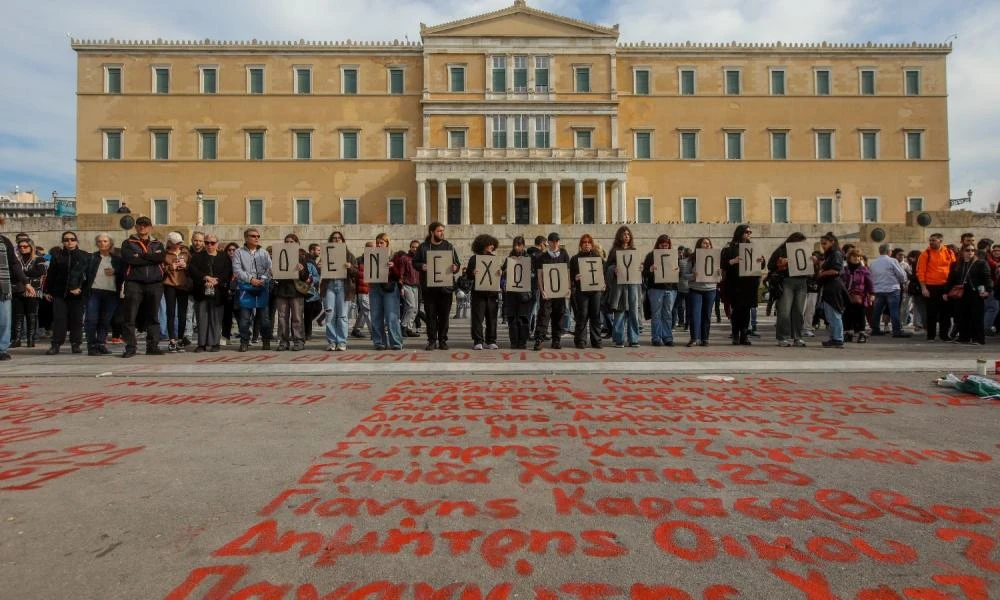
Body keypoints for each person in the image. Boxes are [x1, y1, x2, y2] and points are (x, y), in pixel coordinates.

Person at [120, 216, 167, 357]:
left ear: (150, 228)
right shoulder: (128, 243)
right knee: (130, 316)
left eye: (146, 225)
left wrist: (141, 256)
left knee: (153, 316)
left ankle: (152, 346)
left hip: (155, 283)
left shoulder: (157, 243)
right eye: (140, 225)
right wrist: (150, 257)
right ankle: (130, 347)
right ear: (136, 227)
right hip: (134, 283)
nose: (143, 227)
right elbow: (130, 260)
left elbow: (160, 258)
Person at [413, 222, 461, 351]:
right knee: (431, 316)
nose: (442, 233)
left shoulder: (449, 246)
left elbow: (457, 263)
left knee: (444, 316)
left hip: (445, 288)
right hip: (429, 289)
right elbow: (415, 262)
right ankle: (432, 340)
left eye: (442, 231)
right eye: (439, 231)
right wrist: (421, 266)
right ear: (432, 232)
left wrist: (455, 268)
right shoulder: (423, 247)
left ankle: (443, 340)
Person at [43, 230, 90, 355]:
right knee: (59, 320)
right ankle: (56, 344)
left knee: (77, 320)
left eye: (72, 239)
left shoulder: (84, 255)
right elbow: (51, 275)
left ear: (76, 241)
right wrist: (47, 291)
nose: (69, 242)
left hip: (77, 295)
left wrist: (81, 288)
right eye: (66, 240)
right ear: (63, 242)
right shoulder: (57, 256)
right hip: (59, 293)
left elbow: (88, 276)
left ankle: (76, 344)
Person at [187, 234, 232, 352]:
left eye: (212, 243)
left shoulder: (224, 257)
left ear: (217, 244)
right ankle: (202, 344)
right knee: (202, 318)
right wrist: (205, 278)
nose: (209, 245)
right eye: (207, 243)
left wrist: (216, 280)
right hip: (202, 291)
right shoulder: (197, 256)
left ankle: (214, 343)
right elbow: (192, 271)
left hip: (218, 292)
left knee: (216, 318)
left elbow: (228, 272)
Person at [721, 224, 763, 346]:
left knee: (746, 310)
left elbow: (762, 263)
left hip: (749, 283)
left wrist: (761, 260)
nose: (748, 234)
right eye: (746, 232)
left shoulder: (752, 247)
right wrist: (732, 261)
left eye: (750, 232)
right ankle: (735, 335)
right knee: (737, 310)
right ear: (739, 233)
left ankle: (744, 335)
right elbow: (722, 264)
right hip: (735, 283)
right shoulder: (730, 247)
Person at [232, 227, 272, 352]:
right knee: (244, 319)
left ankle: (266, 340)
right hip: (246, 288)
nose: (256, 238)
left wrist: (263, 279)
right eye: (253, 236)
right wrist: (251, 279)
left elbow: (269, 269)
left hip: (262, 287)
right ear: (246, 238)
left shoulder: (264, 253)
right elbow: (237, 270)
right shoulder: (238, 252)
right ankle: (244, 341)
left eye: (258, 236)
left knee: (264, 318)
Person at [84, 233, 123, 355]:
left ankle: (101, 343)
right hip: (94, 291)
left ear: (110, 243)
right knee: (91, 319)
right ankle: (91, 345)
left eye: (105, 241)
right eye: (100, 241)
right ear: (96, 244)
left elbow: (123, 274)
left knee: (105, 320)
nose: (102, 243)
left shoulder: (117, 259)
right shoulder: (91, 257)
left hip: (111, 292)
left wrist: (115, 271)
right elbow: (81, 273)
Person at [767, 232, 809, 347]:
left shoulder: (805, 251)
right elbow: (770, 266)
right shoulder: (781, 251)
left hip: (802, 282)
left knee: (799, 312)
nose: (802, 244)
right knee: (784, 311)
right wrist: (780, 263)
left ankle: (797, 337)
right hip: (787, 282)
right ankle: (783, 337)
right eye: (800, 242)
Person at [946, 244, 992, 345]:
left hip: (975, 292)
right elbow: (951, 279)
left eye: (972, 250)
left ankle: (978, 339)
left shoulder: (980, 263)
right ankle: (964, 337)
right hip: (961, 293)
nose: (970, 252)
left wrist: (988, 290)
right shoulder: (956, 264)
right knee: (962, 315)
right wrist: (946, 292)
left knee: (976, 316)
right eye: (967, 250)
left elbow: (987, 278)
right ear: (962, 251)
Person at [916, 233, 957, 342]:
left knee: (946, 313)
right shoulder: (925, 254)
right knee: (931, 312)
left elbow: (954, 269)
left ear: (940, 240)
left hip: (946, 286)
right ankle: (931, 335)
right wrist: (923, 288)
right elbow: (920, 272)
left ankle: (944, 335)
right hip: (931, 286)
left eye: (933, 240)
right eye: (930, 240)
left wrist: (952, 285)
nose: (931, 242)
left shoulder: (949, 252)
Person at [322, 231, 359, 352]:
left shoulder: (349, 255)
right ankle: (332, 342)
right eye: (334, 238)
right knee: (330, 315)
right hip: (329, 285)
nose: (336, 240)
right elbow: (319, 271)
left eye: (339, 238)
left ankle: (342, 342)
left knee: (343, 315)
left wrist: (350, 267)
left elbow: (356, 273)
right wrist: (320, 267)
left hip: (344, 286)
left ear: (343, 241)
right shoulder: (326, 254)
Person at [273, 233, 310, 351]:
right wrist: (272, 272)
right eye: (287, 242)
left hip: (296, 292)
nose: (289, 244)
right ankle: (283, 341)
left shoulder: (301, 258)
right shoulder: (279, 256)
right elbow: (276, 277)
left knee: (297, 317)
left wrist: (302, 270)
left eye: (291, 242)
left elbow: (305, 277)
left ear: (296, 244)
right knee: (282, 317)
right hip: (282, 291)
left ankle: (299, 340)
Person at [0, 231, 34, 360]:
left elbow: (14, 264)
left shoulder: (4, 241)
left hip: (2, 288)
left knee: (4, 322)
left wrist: (26, 282)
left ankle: (2, 350)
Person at [606, 226, 640, 348]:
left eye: (628, 234)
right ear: (620, 236)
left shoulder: (634, 250)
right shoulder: (614, 251)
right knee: (619, 312)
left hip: (632, 285)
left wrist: (640, 268)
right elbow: (607, 267)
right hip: (619, 286)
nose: (626, 236)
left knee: (633, 312)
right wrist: (612, 269)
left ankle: (634, 339)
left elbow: (636, 268)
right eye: (624, 234)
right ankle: (619, 339)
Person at [369, 232, 404, 351]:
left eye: (381, 243)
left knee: (391, 316)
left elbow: (400, 275)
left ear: (387, 243)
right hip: (375, 287)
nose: (379, 245)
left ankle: (396, 342)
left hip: (390, 287)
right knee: (376, 316)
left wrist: (392, 266)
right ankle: (379, 342)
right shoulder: (371, 255)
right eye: (377, 243)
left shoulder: (395, 256)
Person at [466, 234, 501, 350]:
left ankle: (491, 340)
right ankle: (478, 340)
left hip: (492, 293)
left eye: (492, 244)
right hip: (478, 294)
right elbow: (468, 275)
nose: (491, 246)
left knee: (492, 318)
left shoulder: (495, 258)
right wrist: (472, 272)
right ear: (482, 245)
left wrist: (500, 273)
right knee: (478, 318)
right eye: (489, 244)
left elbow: (498, 274)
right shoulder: (474, 259)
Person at [570, 233, 605, 350]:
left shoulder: (598, 258)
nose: (587, 244)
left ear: (592, 244)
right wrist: (575, 277)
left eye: (589, 242)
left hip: (595, 291)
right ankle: (581, 340)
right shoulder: (575, 259)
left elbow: (604, 273)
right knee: (582, 315)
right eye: (584, 242)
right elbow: (570, 276)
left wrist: (604, 284)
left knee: (595, 315)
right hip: (582, 291)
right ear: (581, 245)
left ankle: (596, 340)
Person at [643, 234, 678, 347]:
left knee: (667, 314)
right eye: (662, 245)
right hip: (655, 288)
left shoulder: (673, 256)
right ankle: (656, 337)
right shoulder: (651, 256)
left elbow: (679, 274)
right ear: (658, 244)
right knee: (656, 314)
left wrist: (678, 270)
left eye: (666, 245)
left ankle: (667, 337)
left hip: (671, 288)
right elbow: (644, 273)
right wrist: (650, 269)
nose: (664, 247)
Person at [868, 243, 910, 338]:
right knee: (894, 310)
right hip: (892, 289)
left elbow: (871, 276)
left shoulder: (874, 263)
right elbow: (902, 275)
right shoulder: (892, 261)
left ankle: (875, 329)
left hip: (878, 289)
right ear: (889, 251)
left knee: (877, 311)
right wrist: (902, 281)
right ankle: (896, 330)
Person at [680, 237, 716, 347]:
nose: (706, 245)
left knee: (707, 315)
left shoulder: (715, 258)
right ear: (699, 245)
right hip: (695, 289)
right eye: (704, 243)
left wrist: (719, 272)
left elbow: (720, 275)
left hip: (710, 289)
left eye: (708, 243)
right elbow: (684, 275)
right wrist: (693, 276)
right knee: (695, 314)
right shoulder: (692, 259)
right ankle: (694, 338)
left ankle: (705, 338)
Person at [815, 232, 848, 348]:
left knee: (834, 313)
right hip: (829, 286)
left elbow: (836, 270)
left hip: (834, 286)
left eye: (825, 243)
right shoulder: (830, 254)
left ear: (832, 242)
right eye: (821, 244)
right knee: (830, 314)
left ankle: (838, 338)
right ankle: (834, 337)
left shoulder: (836, 253)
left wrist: (822, 273)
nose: (823, 246)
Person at [11, 239, 45, 349]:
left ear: (31, 247)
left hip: (33, 290)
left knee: (31, 315)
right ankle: (17, 339)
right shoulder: (16, 259)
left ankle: (31, 339)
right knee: (18, 315)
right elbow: (13, 274)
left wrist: (21, 274)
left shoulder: (38, 259)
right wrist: (21, 275)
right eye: (20, 246)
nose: (22, 248)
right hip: (18, 290)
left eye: (25, 246)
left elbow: (39, 272)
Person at [162, 232, 192, 352]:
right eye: (175, 243)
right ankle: (172, 340)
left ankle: (180, 339)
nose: (178, 245)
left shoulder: (186, 253)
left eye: (179, 243)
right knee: (170, 313)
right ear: (169, 243)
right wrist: (171, 267)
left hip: (183, 285)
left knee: (182, 314)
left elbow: (193, 267)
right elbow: (159, 269)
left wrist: (185, 266)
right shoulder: (165, 254)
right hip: (169, 284)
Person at [502, 236, 533, 349]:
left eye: (519, 245)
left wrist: (523, 263)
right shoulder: (509, 258)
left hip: (524, 292)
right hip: (511, 293)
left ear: (523, 246)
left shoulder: (528, 257)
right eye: (515, 244)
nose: (516, 247)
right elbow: (503, 273)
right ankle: (514, 341)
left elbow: (533, 274)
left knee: (523, 318)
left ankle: (522, 342)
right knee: (512, 318)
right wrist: (508, 268)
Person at [842, 248, 874, 343]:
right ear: (849, 257)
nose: (857, 258)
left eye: (858, 257)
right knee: (847, 314)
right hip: (847, 295)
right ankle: (848, 333)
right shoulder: (845, 269)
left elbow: (870, 283)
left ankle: (861, 334)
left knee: (860, 314)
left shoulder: (864, 270)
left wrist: (871, 294)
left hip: (860, 295)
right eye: (854, 256)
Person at [398, 240, 421, 338]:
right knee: (411, 306)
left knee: (415, 309)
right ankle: (402, 326)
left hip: (416, 286)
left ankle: (409, 329)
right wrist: (401, 287)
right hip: (407, 285)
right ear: (410, 247)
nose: (415, 249)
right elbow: (401, 274)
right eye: (413, 247)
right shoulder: (405, 258)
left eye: (417, 247)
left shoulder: (420, 259)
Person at [351, 241, 373, 339]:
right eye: (370, 248)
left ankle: (356, 329)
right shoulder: (359, 260)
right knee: (367, 310)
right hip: (362, 289)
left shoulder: (376, 259)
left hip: (372, 289)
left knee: (364, 311)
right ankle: (374, 332)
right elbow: (355, 275)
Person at [221, 242, 240, 345]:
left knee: (241, 316)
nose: (232, 252)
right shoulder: (224, 262)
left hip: (239, 291)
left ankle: (245, 337)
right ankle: (226, 337)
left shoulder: (241, 262)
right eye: (229, 250)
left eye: (234, 250)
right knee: (226, 316)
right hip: (227, 291)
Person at [303, 244, 323, 340]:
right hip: (308, 290)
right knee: (309, 311)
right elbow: (313, 274)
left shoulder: (312, 261)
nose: (319, 252)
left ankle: (306, 330)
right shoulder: (308, 260)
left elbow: (315, 274)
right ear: (312, 250)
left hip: (312, 290)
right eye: (318, 250)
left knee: (314, 309)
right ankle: (307, 332)